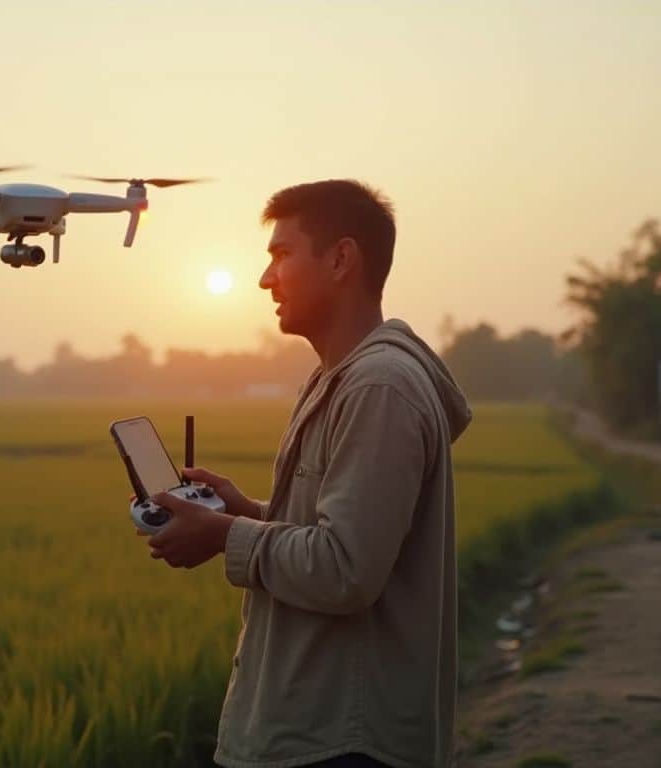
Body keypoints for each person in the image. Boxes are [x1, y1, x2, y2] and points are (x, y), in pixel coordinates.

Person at [144, 180, 472, 768]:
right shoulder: (336, 379)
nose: (265, 279)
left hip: (342, 738)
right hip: (318, 726)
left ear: (341, 259)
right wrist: (247, 512)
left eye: (281, 255)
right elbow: (347, 538)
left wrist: (222, 536)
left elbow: (346, 569)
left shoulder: (378, 388)